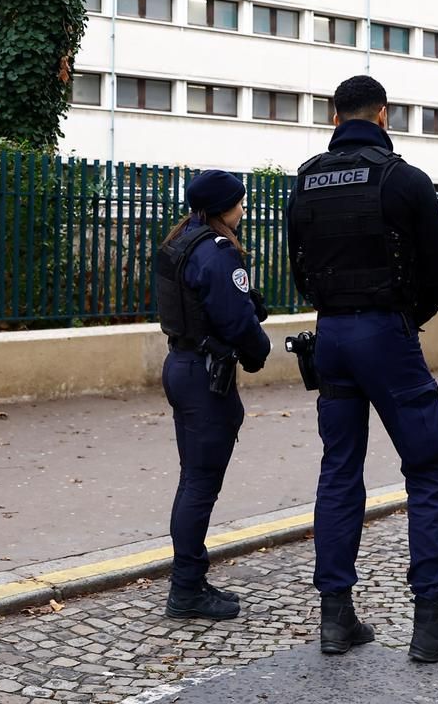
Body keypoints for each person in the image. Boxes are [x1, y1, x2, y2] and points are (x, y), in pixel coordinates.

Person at [286, 75, 438, 663]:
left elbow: (299, 265)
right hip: (386, 335)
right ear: (383, 115)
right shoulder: (405, 180)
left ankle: (336, 619)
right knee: (425, 469)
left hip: (332, 335)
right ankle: (432, 624)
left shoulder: (306, 180)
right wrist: (405, 318)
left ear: (333, 115)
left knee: (339, 471)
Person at [155, 170, 272, 621]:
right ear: (224, 206)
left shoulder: (180, 242)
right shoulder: (217, 250)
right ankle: (185, 591)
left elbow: (204, 304)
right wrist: (258, 351)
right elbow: (235, 319)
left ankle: (193, 580)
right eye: (239, 203)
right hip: (205, 375)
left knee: (194, 479)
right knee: (200, 484)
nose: (243, 210)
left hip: (182, 365)